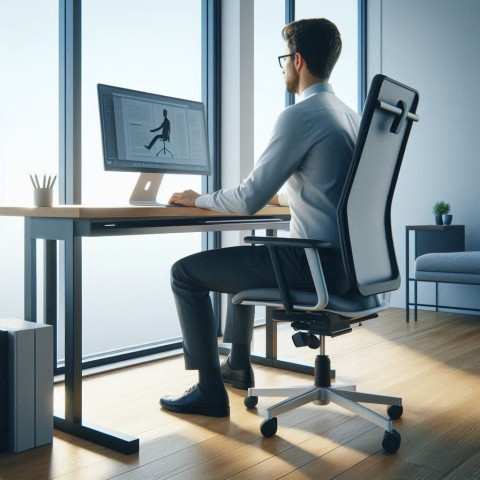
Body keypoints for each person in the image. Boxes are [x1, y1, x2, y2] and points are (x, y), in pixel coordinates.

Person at [160, 18, 361, 417]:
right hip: (351, 266)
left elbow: (249, 198)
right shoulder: (348, 115)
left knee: (184, 273)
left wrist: (197, 198)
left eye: (285, 59)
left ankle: (208, 391)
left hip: (315, 266)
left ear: (298, 60)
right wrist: (288, 200)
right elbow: (330, 190)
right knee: (246, 258)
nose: (285, 67)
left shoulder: (301, 115)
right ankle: (237, 365)